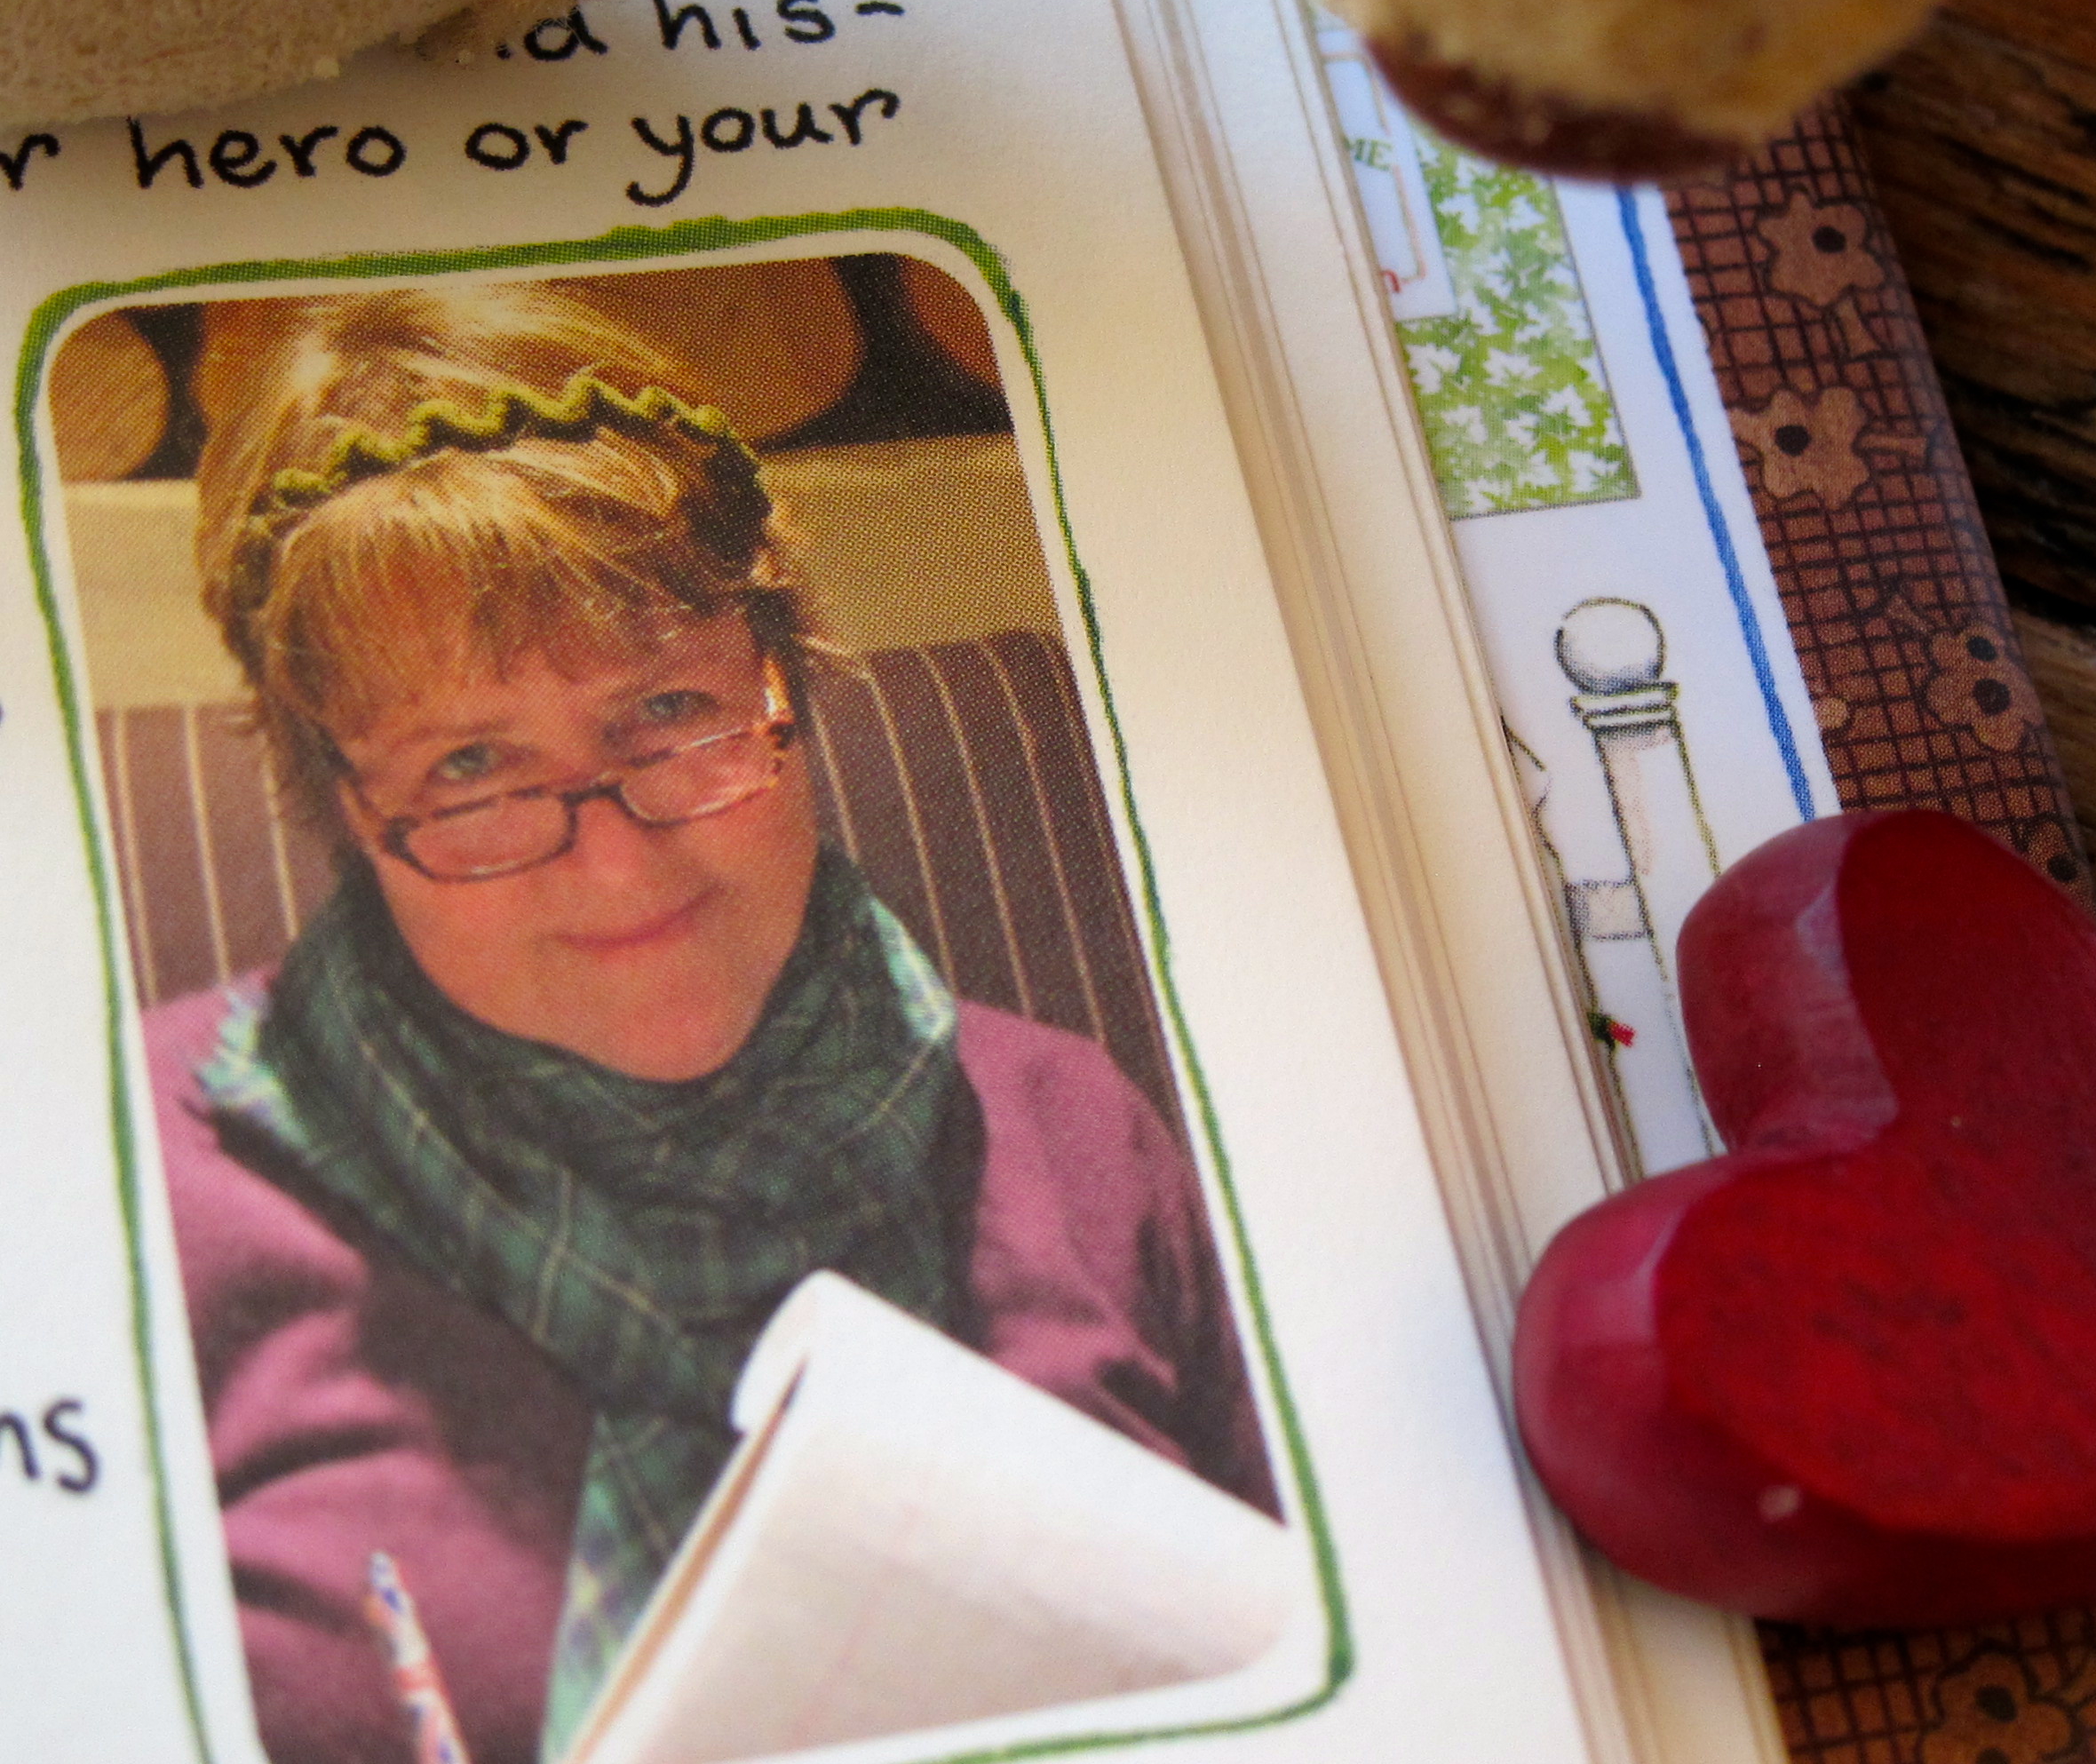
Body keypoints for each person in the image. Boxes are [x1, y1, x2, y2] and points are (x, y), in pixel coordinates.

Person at [140, 283, 1272, 1764]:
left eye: (670, 711)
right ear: (346, 807)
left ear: (783, 676)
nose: (618, 869)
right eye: (469, 765)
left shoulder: (1070, 1127)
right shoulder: (122, 1188)